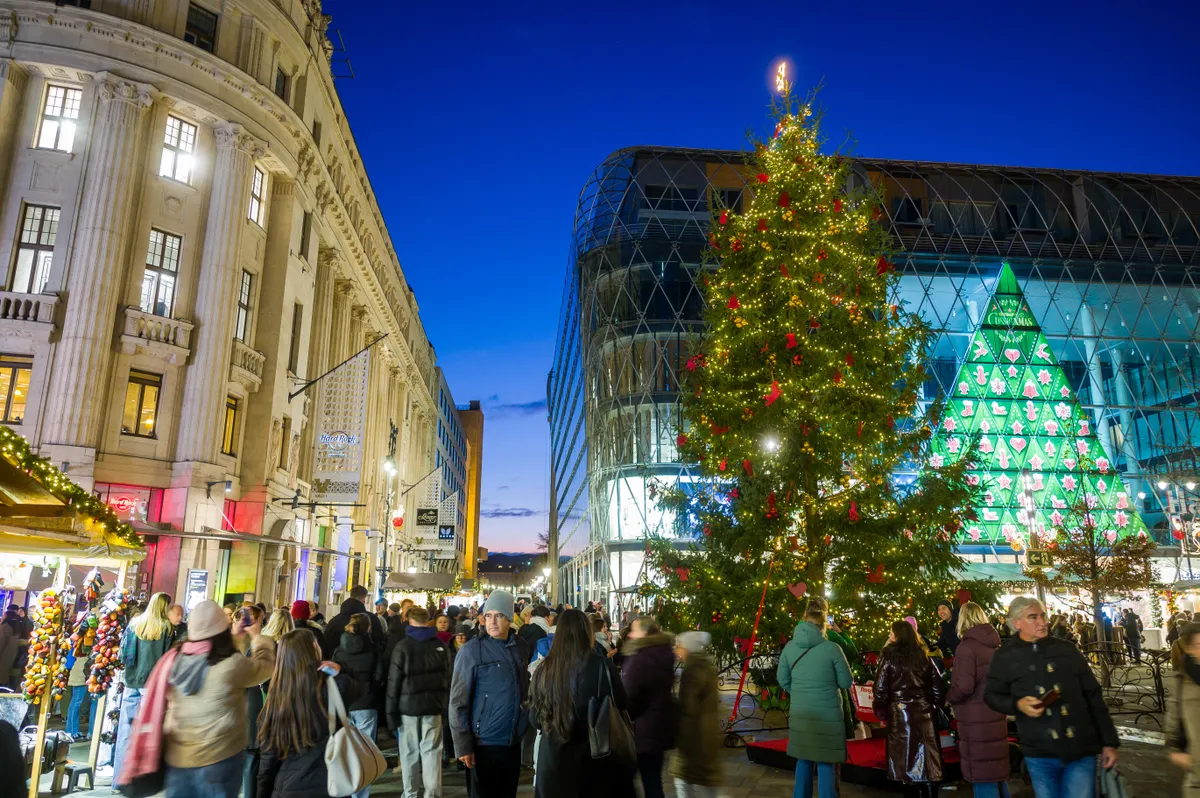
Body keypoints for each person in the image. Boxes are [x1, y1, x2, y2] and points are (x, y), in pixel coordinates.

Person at [985, 597, 1119, 798]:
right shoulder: (1005, 655)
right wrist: (1017, 704)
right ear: (1016, 623)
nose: (1042, 622)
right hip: (1039, 752)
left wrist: (1109, 741)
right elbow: (991, 695)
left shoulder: (1066, 649)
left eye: (1042, 615)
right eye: (1033, 617)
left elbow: (1093, 695)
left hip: (1080, 749)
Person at [157, 600, 275, 797]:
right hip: (219, 757)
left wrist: (235, 637)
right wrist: (257, 638)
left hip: (179, 757)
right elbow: (264, 668)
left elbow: (209, 650)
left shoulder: (176, 659)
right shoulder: (231, 665)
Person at [527, 608, 634, 798]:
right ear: (587, 632)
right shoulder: (602, 665)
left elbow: (535, 719)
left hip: (553, 761)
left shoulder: (544, 670)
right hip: (594, 757)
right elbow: (622, 702)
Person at [256, 628, 361, 798]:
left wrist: (262, 792)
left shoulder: (275, 701)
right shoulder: (334, 687)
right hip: (333, 784)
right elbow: (358, 687)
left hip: (290, 787)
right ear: (314, 647)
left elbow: (268, 763)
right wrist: (341, 669)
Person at [449, 590, 532, 798]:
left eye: (499, 616)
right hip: (483, 744)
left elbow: (524, 687)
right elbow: (458, 701)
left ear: (510, 618)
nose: (492, 622)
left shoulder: (520, 646)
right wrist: (463, 745)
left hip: (512, 742)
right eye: (488, 615)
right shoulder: (471, 650)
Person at [777, 597, 853, 798]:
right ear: (823, 625)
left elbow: (782, 679)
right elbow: (846, 682)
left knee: (803, 759)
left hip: (802, 711)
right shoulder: (832, 649)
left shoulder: (790, 647)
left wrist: (801, 691)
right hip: (827, 715)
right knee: (826, 761)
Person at [386, 606, 452, 798]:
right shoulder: (439, 646)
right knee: (432, 753)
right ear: (428, 621)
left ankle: (410, 793)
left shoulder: (403, 646)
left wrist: (390, 714)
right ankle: (432, 794)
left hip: (408, 709)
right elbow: (448, 678)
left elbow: (394, 683)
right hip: (433, 707)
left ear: (410, 621)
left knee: (409, 753)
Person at [874, 620, 945, 797]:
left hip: (900, 714)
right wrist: (935, 706)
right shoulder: (923, 655)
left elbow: (880, 689)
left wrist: (882, 712)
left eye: (891, 633)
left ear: (897, 636)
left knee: (906, 764)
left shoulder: (888, 655)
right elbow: (937, 686)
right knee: (928, 763)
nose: (889, 636)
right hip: (925, 712)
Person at [947, 602, 1009, 798]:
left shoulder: (967, 648)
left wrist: (948, 697)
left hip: (975, 718)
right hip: (995, 713)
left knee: (982, 775)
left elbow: (964, 686)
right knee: (996, 772)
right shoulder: (994, 645)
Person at [114, 591, 175, 783]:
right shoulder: (166, 628)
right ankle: (141, 777)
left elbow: (123, 653)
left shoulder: (134, 624)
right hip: (151, 684)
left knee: (125, 729)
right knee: (149, 729)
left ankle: (119, 779)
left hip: (131, 680)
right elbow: (167, 658)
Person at [620, 616, 678, 798]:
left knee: (625, 780)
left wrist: (623, 712)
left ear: (644, 633)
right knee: (653, 781)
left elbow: (630, 695)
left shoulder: (641, 657)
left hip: (641, 730)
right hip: (658, 727)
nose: (630, 634)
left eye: (634, 630)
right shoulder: (662, 653)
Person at [333, 612, 382, 798]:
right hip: (366, 703)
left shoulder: (339, 649)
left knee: (345, 751)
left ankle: (345, 789)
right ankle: (360, 795)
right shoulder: (374, 649)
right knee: (365, 754)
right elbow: (379, 676)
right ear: (368, 627)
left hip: (344, 703)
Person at [672, 631, 721, 798]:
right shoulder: (704, 667)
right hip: (706, 734)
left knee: (683, 781)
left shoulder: (692, 671)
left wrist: (682, 738)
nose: (676, 650)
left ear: (688, 649)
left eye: (679, 646)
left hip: (695, 736)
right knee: (706, 781)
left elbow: (689, 709)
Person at [1167, 621, 1200, 793]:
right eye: (1199, 645)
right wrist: (1175, 748)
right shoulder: (1182, 681)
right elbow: (1173, 717)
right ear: (1188, 648)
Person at [322, 585, 386, 660]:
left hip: (338, 665)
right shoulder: (371, 619)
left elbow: (327, 644)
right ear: (364, 599)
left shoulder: (334, 621)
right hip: (367, 665)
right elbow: (379, 644)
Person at [0, 607, 23, 689]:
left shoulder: (5, 627)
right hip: (11, 655)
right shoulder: (17, 627)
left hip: (3, 655)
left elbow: (1, 642)